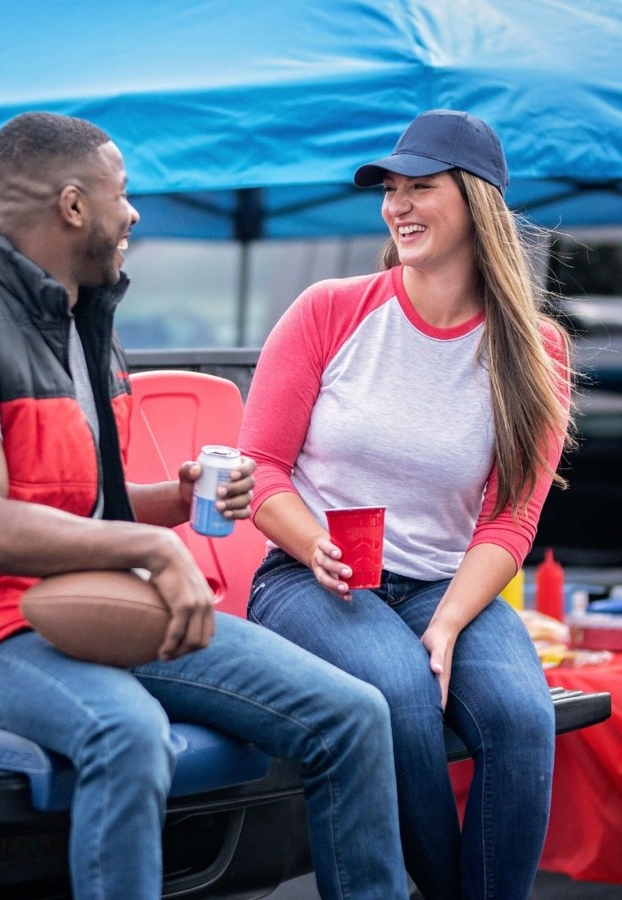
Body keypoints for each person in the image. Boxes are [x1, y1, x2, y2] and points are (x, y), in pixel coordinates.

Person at [0, 111, 409, 899]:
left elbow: (85, 506)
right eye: (123, 193)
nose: (136, 213)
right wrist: (150, 553)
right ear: (74, 206)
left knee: (354, 714)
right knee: (127, 735)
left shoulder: (83, 317)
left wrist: (175, 504)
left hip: (93, 601)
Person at [239, 109, 574, 900]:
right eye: (391, 190)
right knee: (398, 688)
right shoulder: (330, 309)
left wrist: (450, 621)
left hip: (442, 583)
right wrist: (311, 540)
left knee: (525, 719)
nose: (398, 206)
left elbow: (509, 522)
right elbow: (259, 470)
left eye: (421, 187)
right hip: (309, 578)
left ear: (478, 203)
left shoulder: (537, 350)